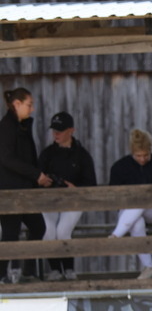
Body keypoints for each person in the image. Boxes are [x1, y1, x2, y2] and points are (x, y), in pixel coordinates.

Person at [108, 128, 152, 280]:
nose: (143, 159)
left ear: (150, 151)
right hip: (128, 214)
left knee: (142, 199)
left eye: (146, 155)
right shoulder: (120, 167)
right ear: (132, 152)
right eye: (138, 156)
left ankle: (116, 235)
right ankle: (149, 267)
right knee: (137, 222)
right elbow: (113, 195)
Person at [0, 88, 52, 284]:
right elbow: (6, 159)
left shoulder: (22, 127)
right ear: (17, 104)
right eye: (29, 104)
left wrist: (37, 177)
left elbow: (26, 157)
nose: (32, 109)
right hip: (10, 190)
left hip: (25, 190)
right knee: (10, 232)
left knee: (38, 227)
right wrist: (35, 174)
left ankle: (28, 271)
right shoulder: (6, 127)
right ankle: (3, 274)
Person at [38, 111, 97, 280]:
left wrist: (75, 188)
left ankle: (69, 269)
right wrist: (44, 181)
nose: (56, 134)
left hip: (74, 201)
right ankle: (55, 269)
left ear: (72, 130)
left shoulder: (82, 155)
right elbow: (36, 178)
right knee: (48, 232)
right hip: (49, 201)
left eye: (61, 130)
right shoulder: (47, 153)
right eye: (54, 130)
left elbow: (91, 183)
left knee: (63, 231)